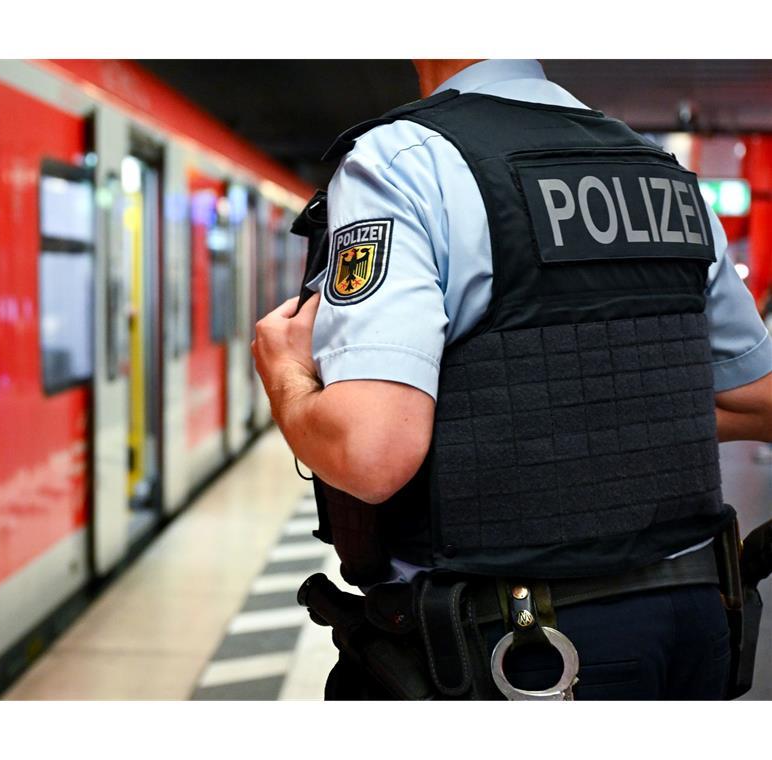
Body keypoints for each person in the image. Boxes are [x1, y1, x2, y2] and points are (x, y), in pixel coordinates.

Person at [252, 59, 772, 700]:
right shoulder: (661, 172)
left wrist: (285, 376)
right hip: (696, 628)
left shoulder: (404, 160)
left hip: (520, 652)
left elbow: (371, 450)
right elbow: (757, 401)